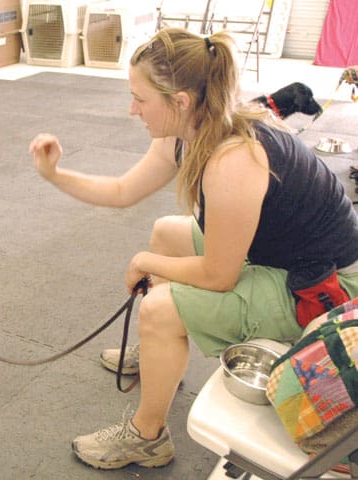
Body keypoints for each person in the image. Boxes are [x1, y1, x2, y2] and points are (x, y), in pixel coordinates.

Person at [29, 27, 358, 470]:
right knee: (167, 231)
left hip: (323, 287)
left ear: (179, 100)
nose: (132, 109)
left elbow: (219, 276)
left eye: (140, 99)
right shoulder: (189, 127)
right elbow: (124, 189)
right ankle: (157, 351)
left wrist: (143, 262)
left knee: (158, 309)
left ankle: (147, 438)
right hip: (283, 256)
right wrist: (55, 175)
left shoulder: (233, 159)